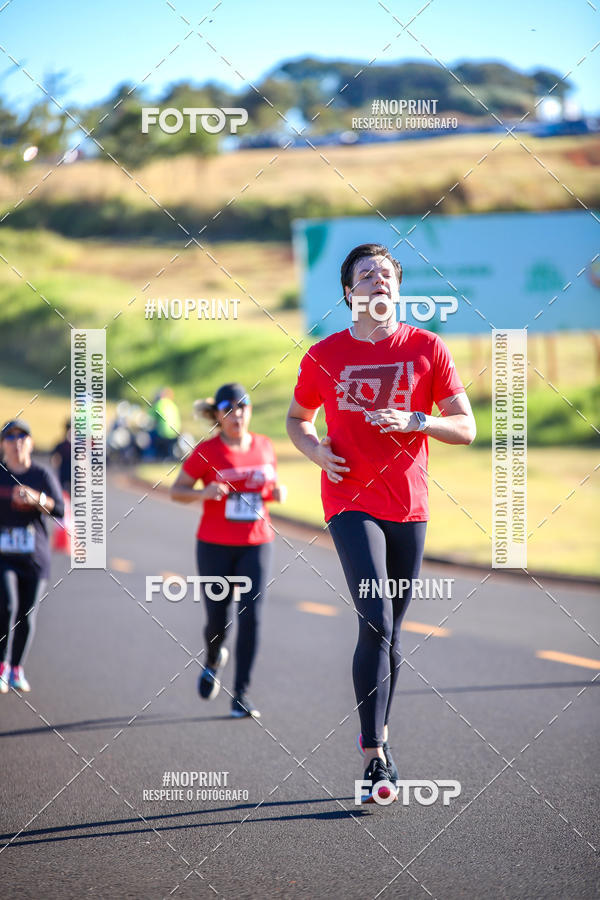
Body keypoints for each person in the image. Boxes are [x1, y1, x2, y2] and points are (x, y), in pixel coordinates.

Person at [286, 243, 476, 803]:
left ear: (398, 288)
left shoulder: (426, 347)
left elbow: (464, 426)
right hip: (349, 501)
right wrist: (315, 452)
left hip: (409, 506)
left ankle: (382, 742)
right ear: (349, 292)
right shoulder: (324, 355)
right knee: (375, 619)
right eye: (366, 275)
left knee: (391, 629)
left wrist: (418, 420)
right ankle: (374, 757)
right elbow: (298, 418)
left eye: (387, 275)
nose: (378, 282)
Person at [171, 384, 286, 719]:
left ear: (250, 411)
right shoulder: (206, 451)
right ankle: (212, 658)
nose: (237, 414)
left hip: (257, 543)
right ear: (218, 415)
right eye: (229, 409)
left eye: (243, 407)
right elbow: (177, 491)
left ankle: (242, 695)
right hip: (215, 545)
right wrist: (204, 492)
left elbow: (269, 485)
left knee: (252, 617)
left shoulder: (265, 446)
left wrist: (277, 492)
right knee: (217, 620)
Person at [0, 419, 64, 693]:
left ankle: (16, 668)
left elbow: (59, 510)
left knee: (26, 614)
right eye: (10, 438)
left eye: (22, 437)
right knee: (6, 606)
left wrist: (38, 499)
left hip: (34, 558)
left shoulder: (41, 474)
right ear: (3, 444)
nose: (17, 443)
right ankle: (1, 665)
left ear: (31, 442)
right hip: (3, 556)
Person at [151, 388, 181, 460]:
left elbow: (150, 419)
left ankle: (152, 456)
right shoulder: (174, 405)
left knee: (151, 434)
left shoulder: (159, 404)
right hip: (175, 433)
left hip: (163, 434)